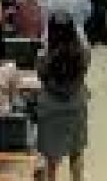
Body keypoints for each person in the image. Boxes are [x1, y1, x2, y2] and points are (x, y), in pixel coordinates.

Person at [37, 17, 91, 181]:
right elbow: (83, 73)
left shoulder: (44, 56)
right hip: (76, 105)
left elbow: (42, 77)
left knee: (51, 158)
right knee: (76, 152)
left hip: (50, 108)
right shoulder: (83, 54)